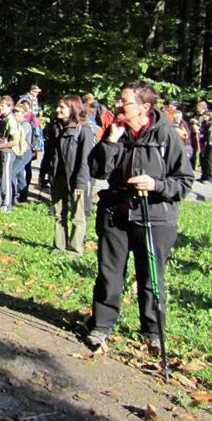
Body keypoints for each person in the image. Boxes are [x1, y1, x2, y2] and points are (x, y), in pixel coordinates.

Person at [84, 81, 194, 354]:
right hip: (116, 214)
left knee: (151, 277)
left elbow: (184, 181)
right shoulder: (116, 132)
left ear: (144, 107)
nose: (118, 105)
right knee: (109, 274)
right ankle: (101, 325)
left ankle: (153, 331)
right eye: (119, 100)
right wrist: (110, 140)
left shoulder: (166, 136)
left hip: (154, 217)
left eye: (124, 101)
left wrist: (156, 184)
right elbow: (96, 169)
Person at [39, 95, 94, 256]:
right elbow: (49, 153)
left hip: (76, 179)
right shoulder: (56, 128)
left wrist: (80, 183)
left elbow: (85, 160)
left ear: (73, 109)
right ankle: (59, 246)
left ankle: (75, 249)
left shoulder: (84, 130)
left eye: (62, 107)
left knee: (78, 215)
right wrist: (43, 172)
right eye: (58, 106)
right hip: (58, 177)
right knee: (58, 214)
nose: (58, 110)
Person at [0, 95, 22, 213]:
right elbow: (0, 135)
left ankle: (6, 205)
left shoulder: (11, 120)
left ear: (10, 107)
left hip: (7, 153)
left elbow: (15, 141)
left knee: (5, 178)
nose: (0, 108)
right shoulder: (2, 118)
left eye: (3, 106)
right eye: (0, 105)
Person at [11, 103, 34, 204]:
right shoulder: (17, 123)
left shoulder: (25, 125)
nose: (15, 114)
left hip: (24, 153)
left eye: (17, 112)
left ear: (24, 113)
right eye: (14, 111)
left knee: (12, 173)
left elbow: (18, 138)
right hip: (19, 152)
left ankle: (12, 196)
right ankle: (24, 196)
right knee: (19, 174)